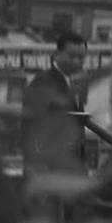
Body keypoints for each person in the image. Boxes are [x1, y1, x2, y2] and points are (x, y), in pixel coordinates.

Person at [22, 30, 89, 177]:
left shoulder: (74, 84)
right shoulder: (44, 83)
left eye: (81, 57)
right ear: (57, 54)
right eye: (71, 56)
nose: (77, 61)